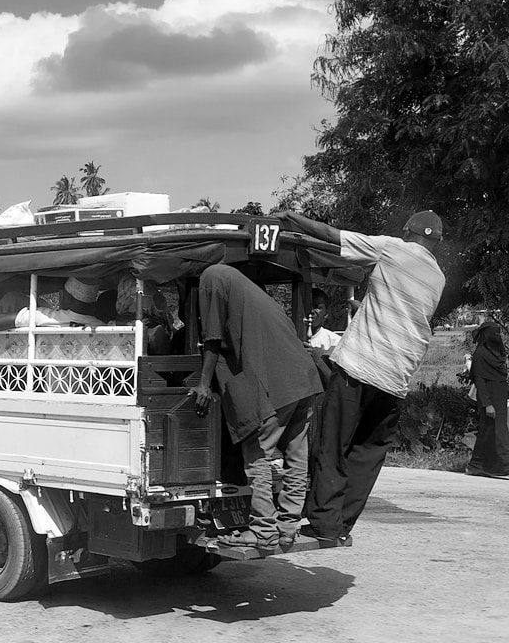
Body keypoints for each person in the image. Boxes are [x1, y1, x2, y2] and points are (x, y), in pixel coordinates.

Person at [273, 209, 446, 546]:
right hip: (396, 378)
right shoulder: (438, 276)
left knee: (333, 445)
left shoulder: (392, 248)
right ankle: (341, 526)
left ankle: (323, 522)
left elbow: (331, 235)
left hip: (359, 368)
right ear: (436, 242)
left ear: (407, 230)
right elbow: (401, 310)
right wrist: (364, 308)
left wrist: (293, 218)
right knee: (367, 454)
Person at [189, 264, 323, 552]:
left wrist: (202, 383)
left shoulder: (212, 278)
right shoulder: (249, 291)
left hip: (277, 387)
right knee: (296, 457)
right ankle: (287, 527)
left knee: (257, 457)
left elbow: (212, 338)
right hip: (304, 381)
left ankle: (263, 530)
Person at [466, 320, 509, 478]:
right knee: (497, 431)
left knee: (489, 432)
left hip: (500, 396)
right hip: (489, 398)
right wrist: (487, 404)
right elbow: (480, 382)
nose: (497, 336)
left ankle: (479, 466)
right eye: (494, 333)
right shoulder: (480, 355)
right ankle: (504, 465)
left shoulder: (498, 354)